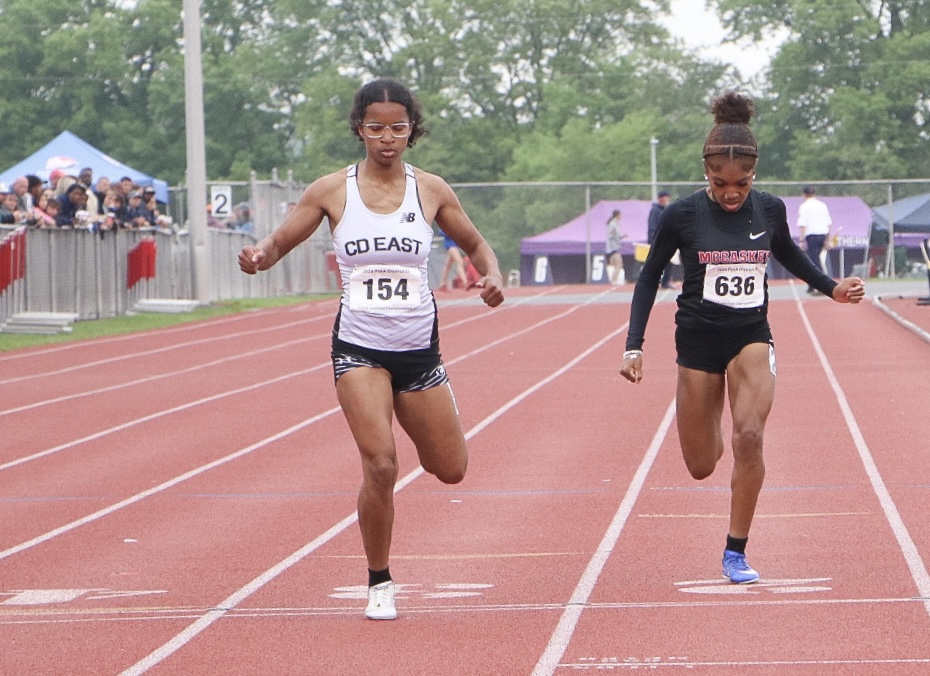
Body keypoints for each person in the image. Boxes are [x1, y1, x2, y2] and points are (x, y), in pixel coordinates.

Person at [238, 78, 505, 620]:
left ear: (412, 131)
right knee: (381, 463)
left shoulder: (429, 189)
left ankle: (433, 412)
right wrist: (260, 254)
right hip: (359, 347)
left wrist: (492, 273)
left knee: (450, 469)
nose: (387, 138)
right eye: (376, 128)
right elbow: (281, 240)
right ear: (360, 129)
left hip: (419, 350)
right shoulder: (331, 190)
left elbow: (474, 243)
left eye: (398, 128)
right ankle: (379, 581)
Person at [619, 91, 865, 585]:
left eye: (742, 184)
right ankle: (710, 431)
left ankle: (736, 551)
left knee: (749, 436)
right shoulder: (682, 215)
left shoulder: (769, 211)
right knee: (702, 464)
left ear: (755, 176)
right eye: (721, 184)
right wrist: (634, 345)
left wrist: (831, 288)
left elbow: (792, 257)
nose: (732, 193)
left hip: (751, 334)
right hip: (697, 341)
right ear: (705, 174)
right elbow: (648, 279)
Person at [797, 186, 833, 293]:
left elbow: (803, 225)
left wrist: (801, 240)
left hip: (812, 236)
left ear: (804, 194)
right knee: (816, 260)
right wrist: (828, 239)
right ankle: (812, 285)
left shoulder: (804, 206)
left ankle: (822, 283)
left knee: (813, 261)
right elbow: (828, 223)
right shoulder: (822, 205)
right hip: (823, 234)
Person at [647, 191, 675, 288]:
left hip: (668, 239)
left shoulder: (668, 209)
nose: (664, 200)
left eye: (665, 198)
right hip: (657, 240)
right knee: (656, 262)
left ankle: (665, 281)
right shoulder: (655, 210)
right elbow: (652, 226)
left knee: (669, 262)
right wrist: (652, 240)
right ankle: (653, 281)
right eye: (661, 198)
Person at [605, 209, 626, 284]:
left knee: (615, 264)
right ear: (617, 215)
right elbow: (610, 235)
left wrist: (622, 237)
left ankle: (614, 279)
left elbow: (617, 235)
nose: (621, 216)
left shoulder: (615, 223)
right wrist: (614, 236)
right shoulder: (612, 224)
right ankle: (614, 280)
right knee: (619, 263)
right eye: (620, 215)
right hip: (613, 247)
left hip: (615, 246)